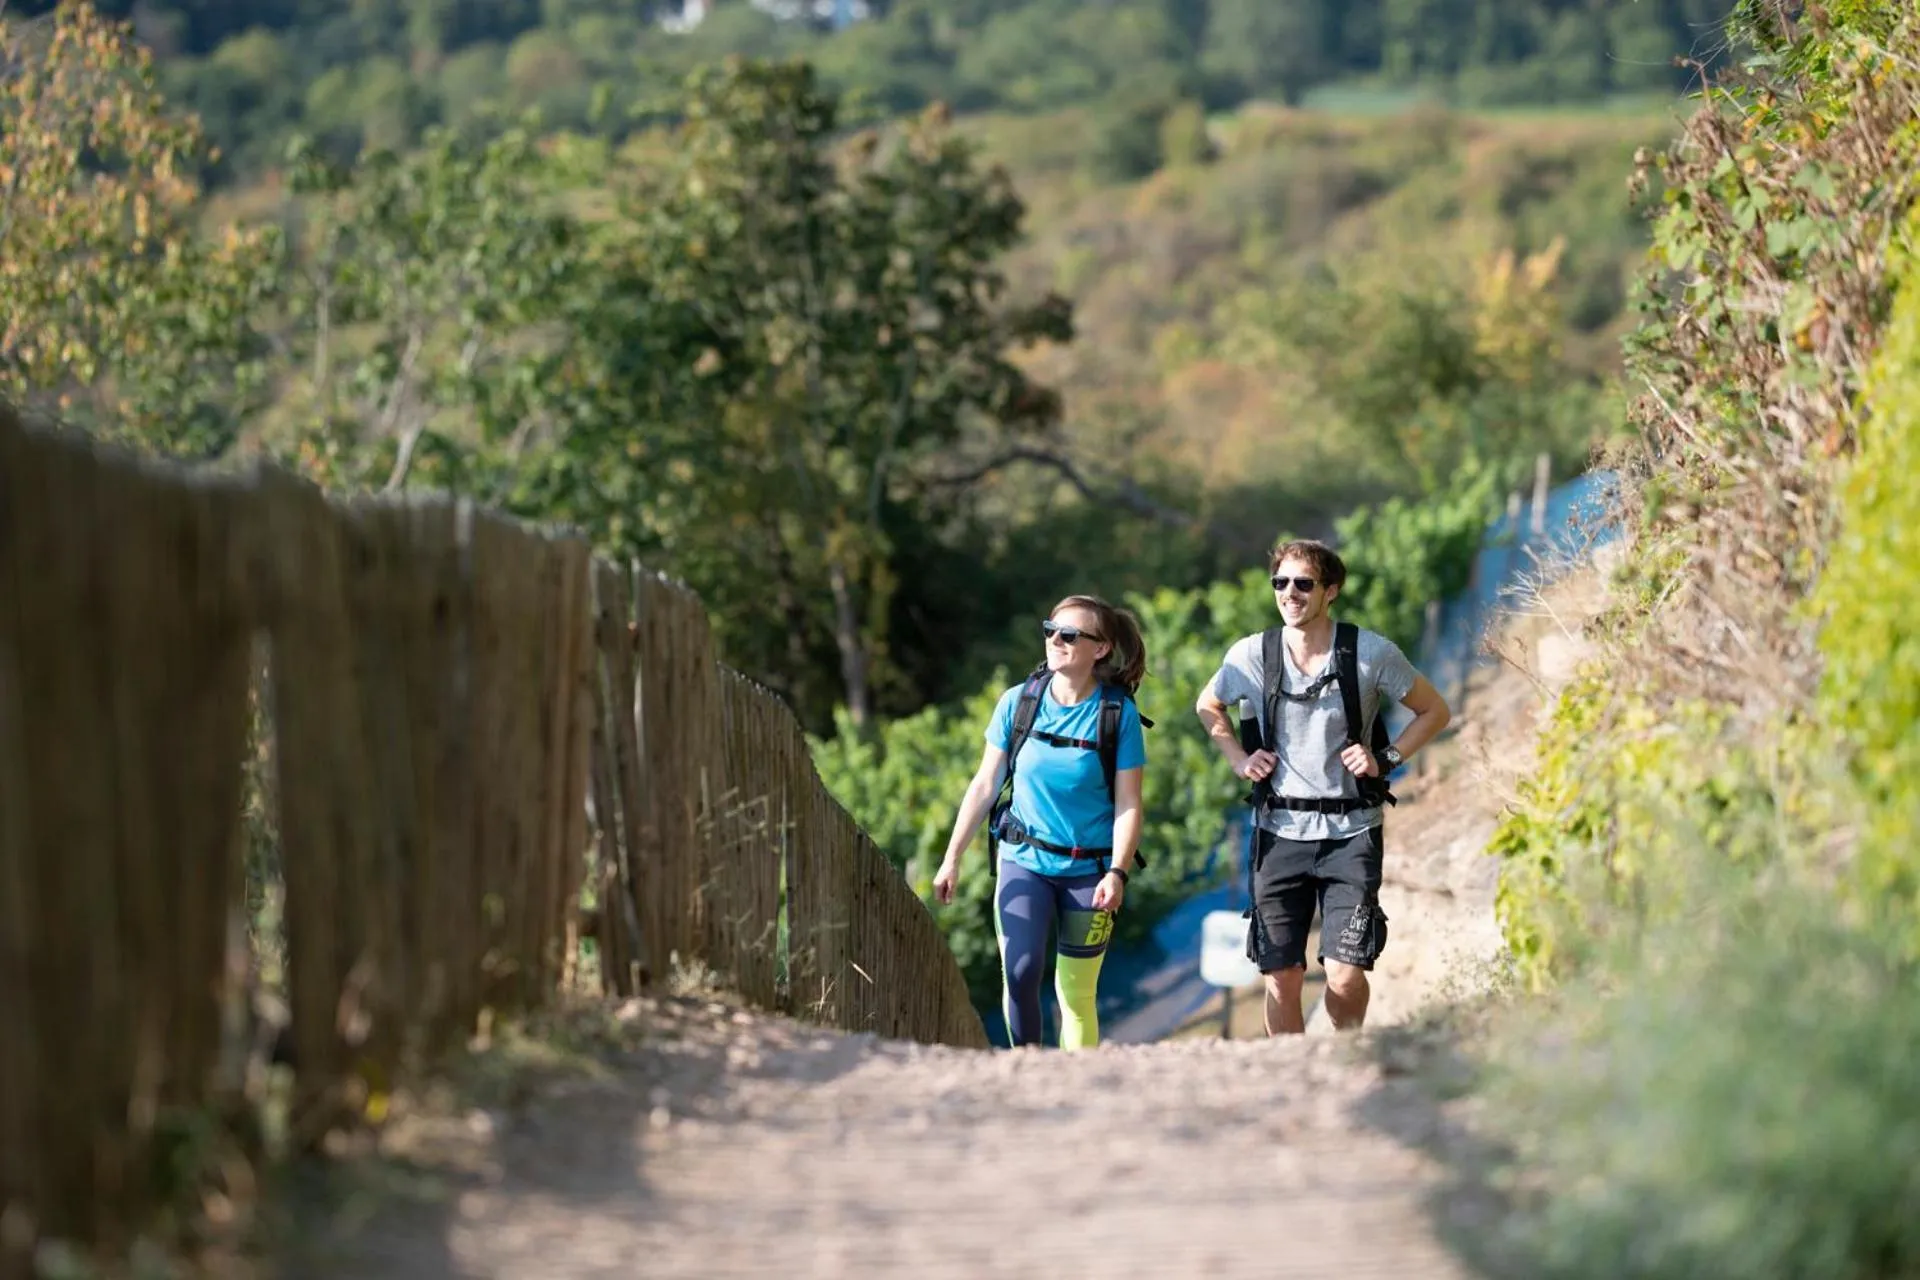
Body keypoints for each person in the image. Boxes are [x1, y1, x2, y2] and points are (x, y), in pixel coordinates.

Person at [1194, 540, 1451, 1035]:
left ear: (1330, 591)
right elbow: (1209, 706)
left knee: (1345, 974)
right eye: (1280, 583)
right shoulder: (1251, 654)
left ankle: (1346, 1055)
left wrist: (1386, 758)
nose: (1289, 593)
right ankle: (1290, 1075)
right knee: (1280, 977)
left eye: (1303, 583)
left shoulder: (1370, 652)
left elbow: (1435, 711)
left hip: (1352, 831)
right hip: (1277, 831)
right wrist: (1238, 758)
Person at [932, 595, 1148, 1050]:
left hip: (1089, 873)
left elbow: (1129, 803)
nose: (1055, 640)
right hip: (1023, 861)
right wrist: (951, 858)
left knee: (1075, 992)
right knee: (1022, 972)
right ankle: (1025, 1071)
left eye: (1070, 634)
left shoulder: (1116, 714)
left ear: (1101, 649)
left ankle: (1080, 1084)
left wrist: (1117, 871)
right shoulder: (1018, 702)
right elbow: (985, 784)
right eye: (1051, 629)